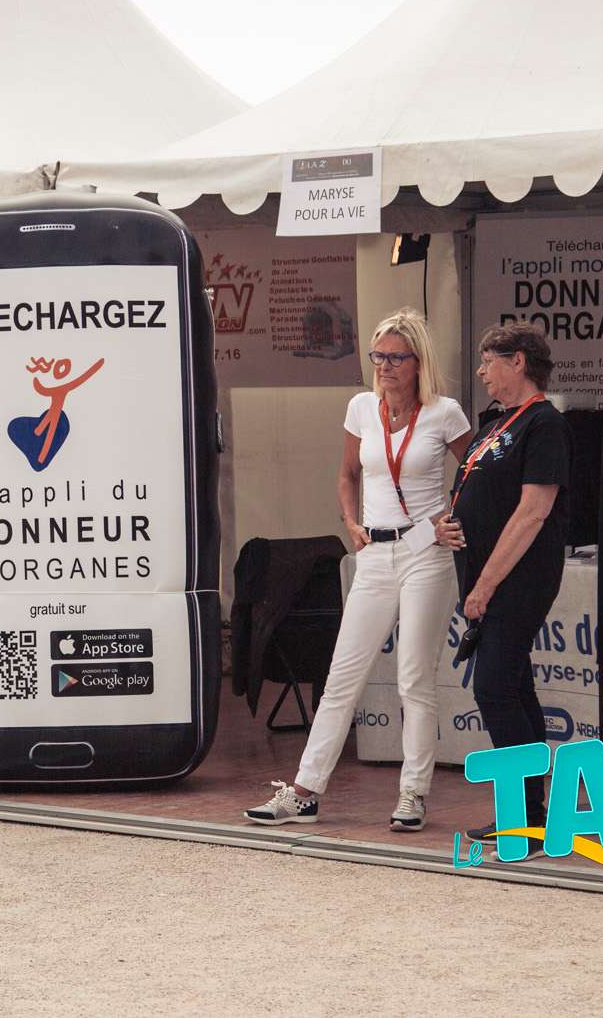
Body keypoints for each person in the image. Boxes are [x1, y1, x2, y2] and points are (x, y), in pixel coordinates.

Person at [245, 309, 474, 832]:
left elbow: (477, 475)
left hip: (425, 553)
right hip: (375, 552)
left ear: (418, 362)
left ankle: (413, 793)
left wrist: (447, 519)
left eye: (395, 358)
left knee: (414, 677)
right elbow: (348, 473)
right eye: (378, 356)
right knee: (342, 675)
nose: (384, 366)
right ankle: (304, 791)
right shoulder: (361, 408)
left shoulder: (444, 413)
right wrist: (350, 523)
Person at [435, 322, 571, 843]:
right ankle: (535, 811)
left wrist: (486, 585)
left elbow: (534, 510)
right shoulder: (495, 422)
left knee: (492, 685)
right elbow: (477, 491)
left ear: (518, 361)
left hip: (518, 577)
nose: (481, 371)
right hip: (485, 573)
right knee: (514, 687)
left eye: (489, 360)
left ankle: (522, 815)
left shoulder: (544, 423)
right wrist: (448, 524)